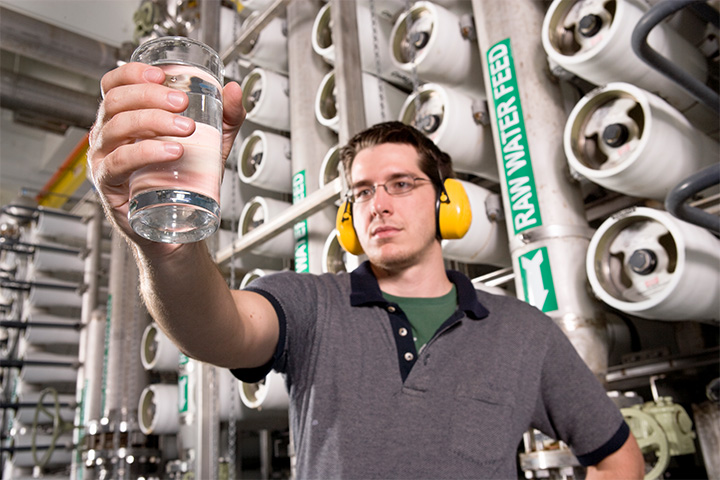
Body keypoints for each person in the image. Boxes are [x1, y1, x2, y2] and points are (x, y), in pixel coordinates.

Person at [88, 61, 644, 479]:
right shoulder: (312, 306)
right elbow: (215, 330)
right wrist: (169, 247)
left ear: (447, 204)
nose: (378, 203)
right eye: (361, 192)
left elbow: (619, 457)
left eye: (402, 184)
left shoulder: (524, 333)